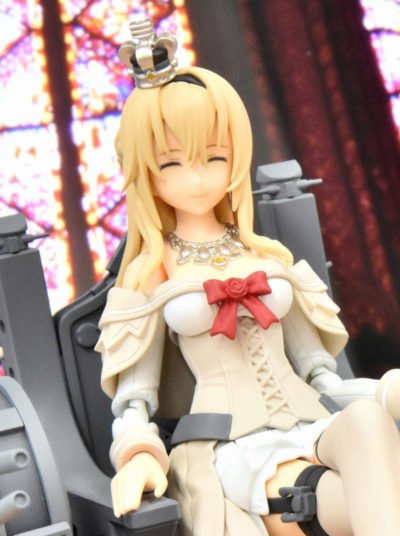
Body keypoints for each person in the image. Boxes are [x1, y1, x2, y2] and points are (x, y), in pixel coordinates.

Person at [96, 15, 400, 536]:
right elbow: (134, 399)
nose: (198, 179)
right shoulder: (151, 270)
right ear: (144, 171)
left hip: (315, 425)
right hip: (235, 447)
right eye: (172, 164)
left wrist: (387, 392)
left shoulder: (266, 254)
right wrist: (139, 455)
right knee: (340, 496)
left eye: (214, 158)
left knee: (370, 422)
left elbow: (322, 377)